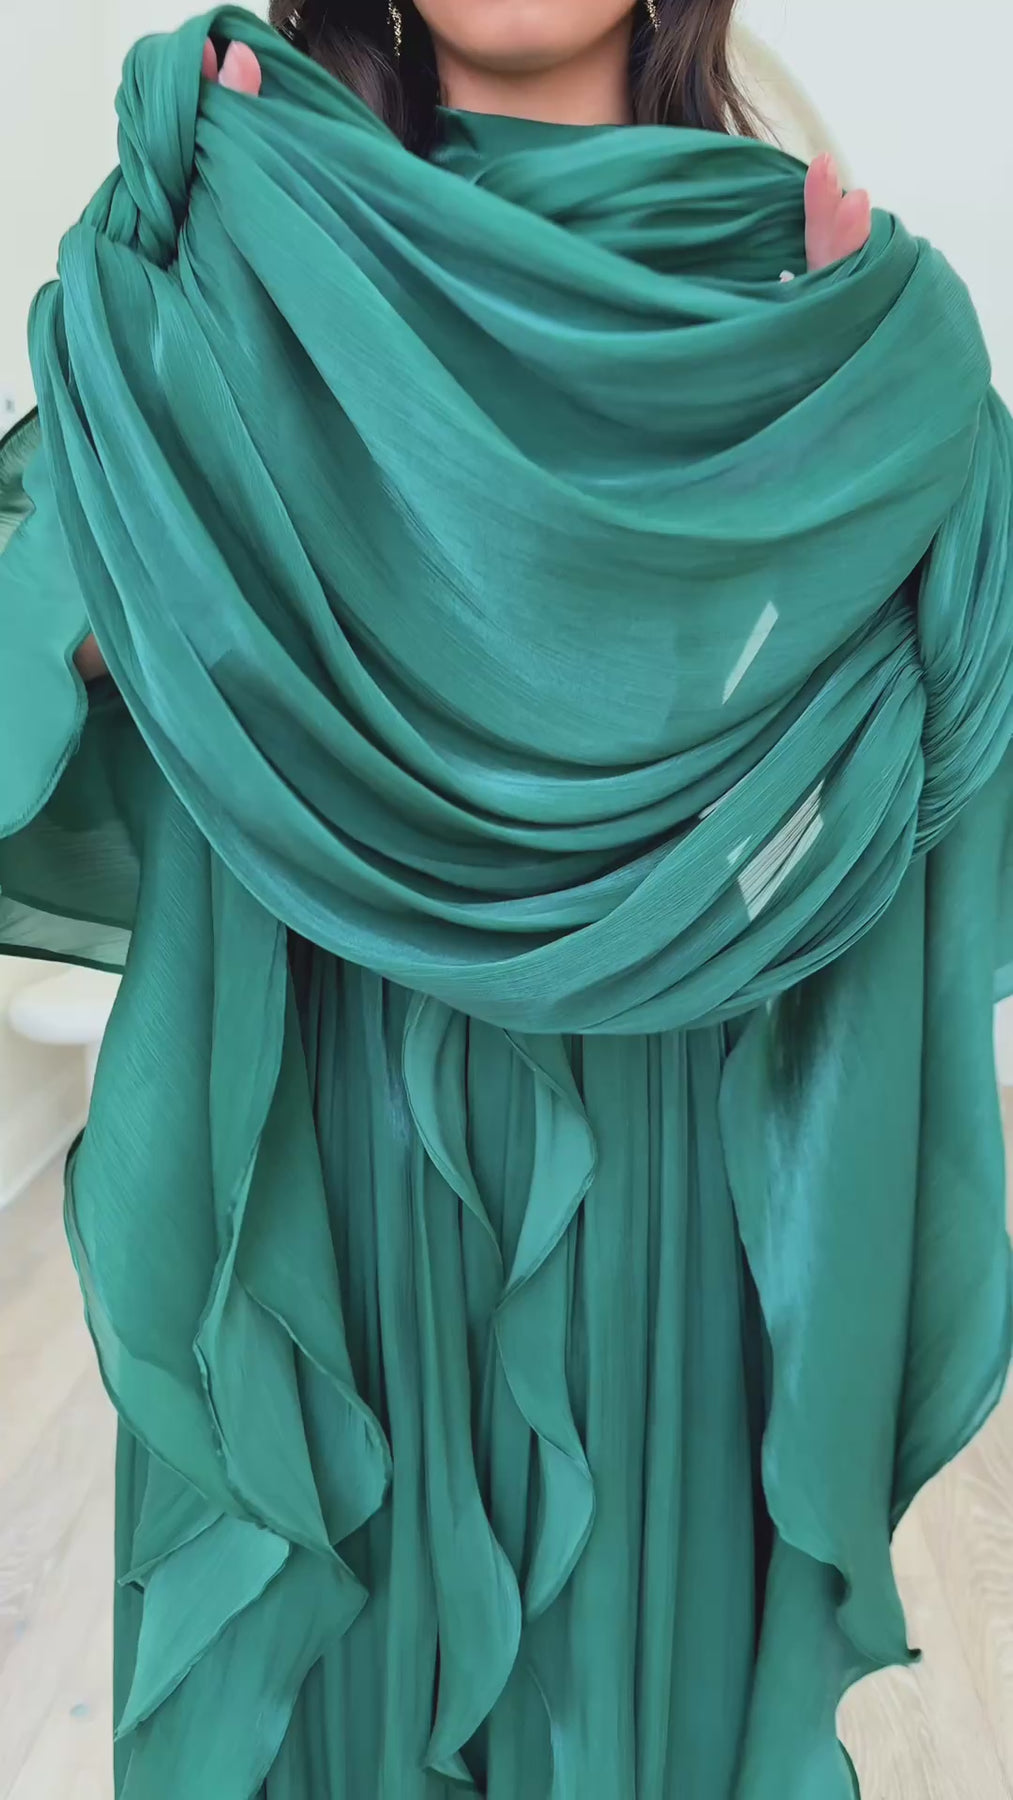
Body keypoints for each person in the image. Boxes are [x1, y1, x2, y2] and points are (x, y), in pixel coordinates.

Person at [1, 3, 1011, 1798]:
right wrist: (157, 375)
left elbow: (903, 804)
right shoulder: (233, 275)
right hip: (329, 1170)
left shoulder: (833, 327)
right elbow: (37, 697)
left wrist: (856, 449)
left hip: (670, 1191)